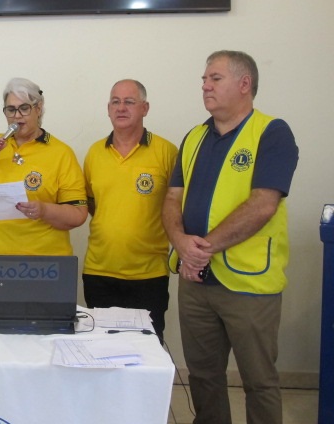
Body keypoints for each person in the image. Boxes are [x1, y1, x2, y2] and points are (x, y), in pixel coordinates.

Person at [162, 50, 299, 424]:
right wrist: (181, 243)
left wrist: (201, 249)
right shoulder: (194, 137)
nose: (205, 86)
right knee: (203, 376)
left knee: (259, 381)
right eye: (204, 79)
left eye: (215, 78)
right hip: (196, 281)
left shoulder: (272, 133)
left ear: (244, 84)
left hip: (248, 283)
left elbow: (263, 204)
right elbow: (172, 198)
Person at [82, 79, 178, 343]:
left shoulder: (167, 152)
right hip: (99, 272)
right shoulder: (94, 153)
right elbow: (91, 202)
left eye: (129, 102)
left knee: (146, 350)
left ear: (145, 108)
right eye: (115, 102)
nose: (121, 108)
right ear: (108, 109)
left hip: (148, 275)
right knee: (102, 349)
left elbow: (177, 205)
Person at [0, 77, 88, 271]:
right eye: (11, 110)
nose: (17, 116)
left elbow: (78, 215)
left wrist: (43, 210)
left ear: (38, 108)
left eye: (24, 108)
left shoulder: (61, 153)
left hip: (42, 265)